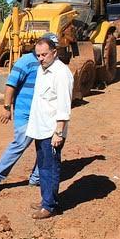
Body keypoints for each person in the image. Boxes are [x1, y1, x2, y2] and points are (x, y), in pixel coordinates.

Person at [25, 37, 73, 219]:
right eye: (38, 55)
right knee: (43, 167)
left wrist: (58, 132)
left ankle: (50, 206)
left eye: (44, 54)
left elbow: (64, 105)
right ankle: (46, 199)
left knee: (50, 168)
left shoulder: (61, 73)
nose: (41, 58)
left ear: (54, 52)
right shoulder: (42, 70)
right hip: (40, 128)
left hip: (52, 132)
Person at [0, 46, 43, 193]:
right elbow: (11, 85)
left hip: (42, 113)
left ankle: (36, 178)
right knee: (21, 143)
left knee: (44, 145)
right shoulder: (25, 62)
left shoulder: (50, 63)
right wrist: (7, 108)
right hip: (24, 111)